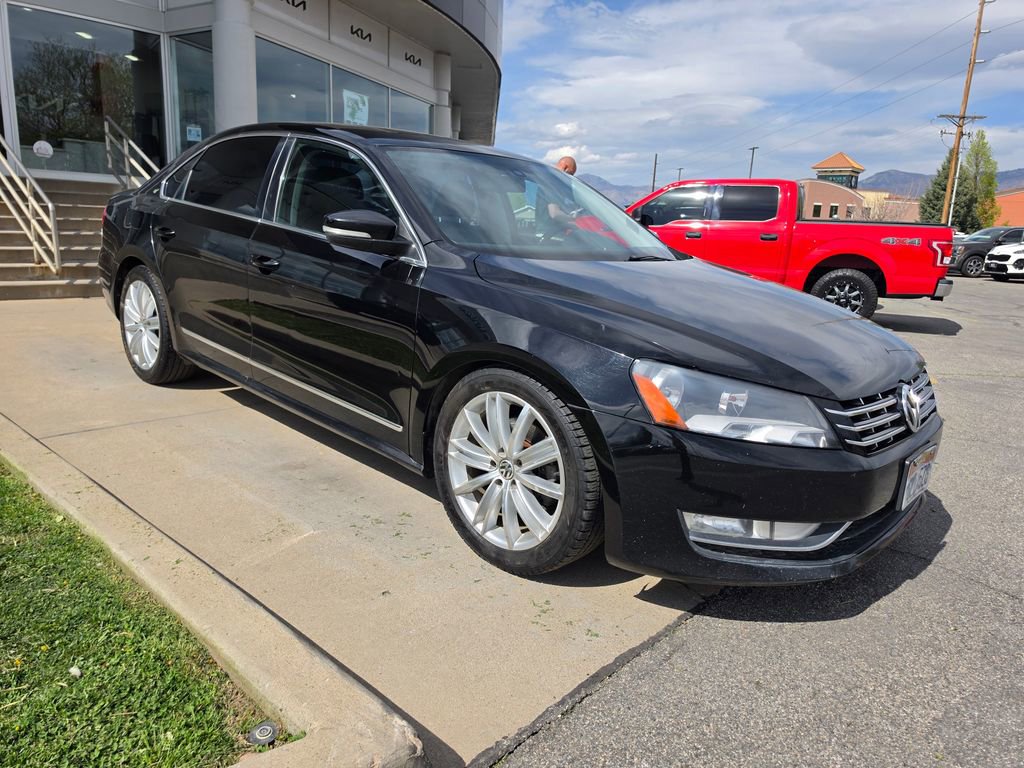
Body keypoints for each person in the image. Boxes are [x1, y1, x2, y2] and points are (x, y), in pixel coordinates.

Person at [546, 155, 579, 229]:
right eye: (570, 174)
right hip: (547, 233)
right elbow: (554, 213)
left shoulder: (547, 179)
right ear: (565, 168)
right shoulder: (554, 183)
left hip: (552, 230)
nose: (569, 177)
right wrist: (572, 218)